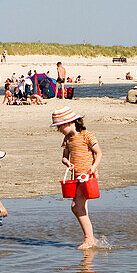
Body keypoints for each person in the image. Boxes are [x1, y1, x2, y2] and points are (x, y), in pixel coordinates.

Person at [52, 106, 101, 250]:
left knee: (76, 207)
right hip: (76, 177)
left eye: (60, 126)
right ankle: (91, 238)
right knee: (81, 207)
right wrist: (67, 162)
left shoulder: (87, 135)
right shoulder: (67, 139)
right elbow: (64, 158)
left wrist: (92, 168)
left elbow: (98, 153)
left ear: (70, 123)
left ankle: (89, 238)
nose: (59, 130)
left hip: (87, 177)